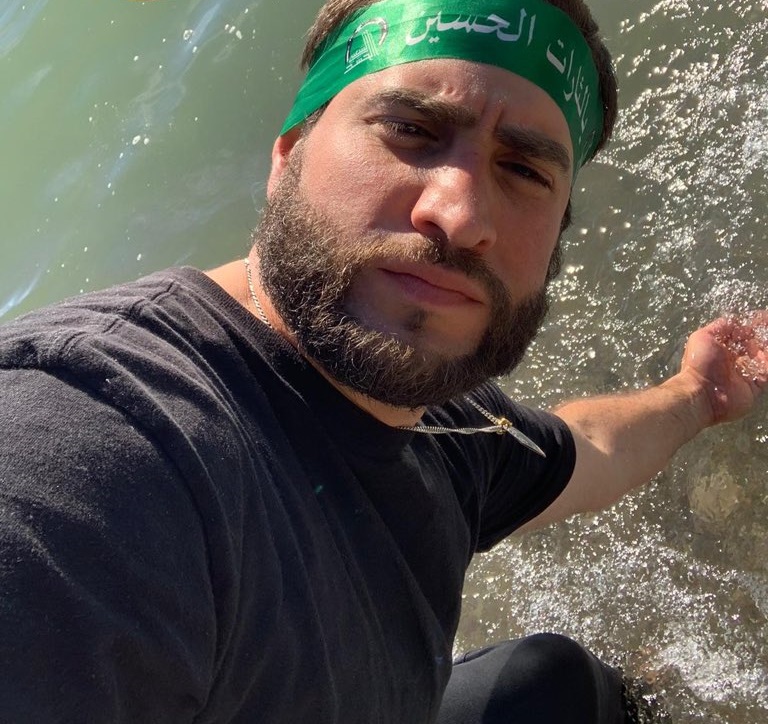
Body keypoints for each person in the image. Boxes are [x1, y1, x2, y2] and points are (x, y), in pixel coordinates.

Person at [0, 0, 765, 721]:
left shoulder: (443, 432)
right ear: (288, 155)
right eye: (410, 129)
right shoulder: (91, 455)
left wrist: (701, 392)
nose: (460, 215)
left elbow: (585, 448)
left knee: (556, 682)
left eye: (525, 171)